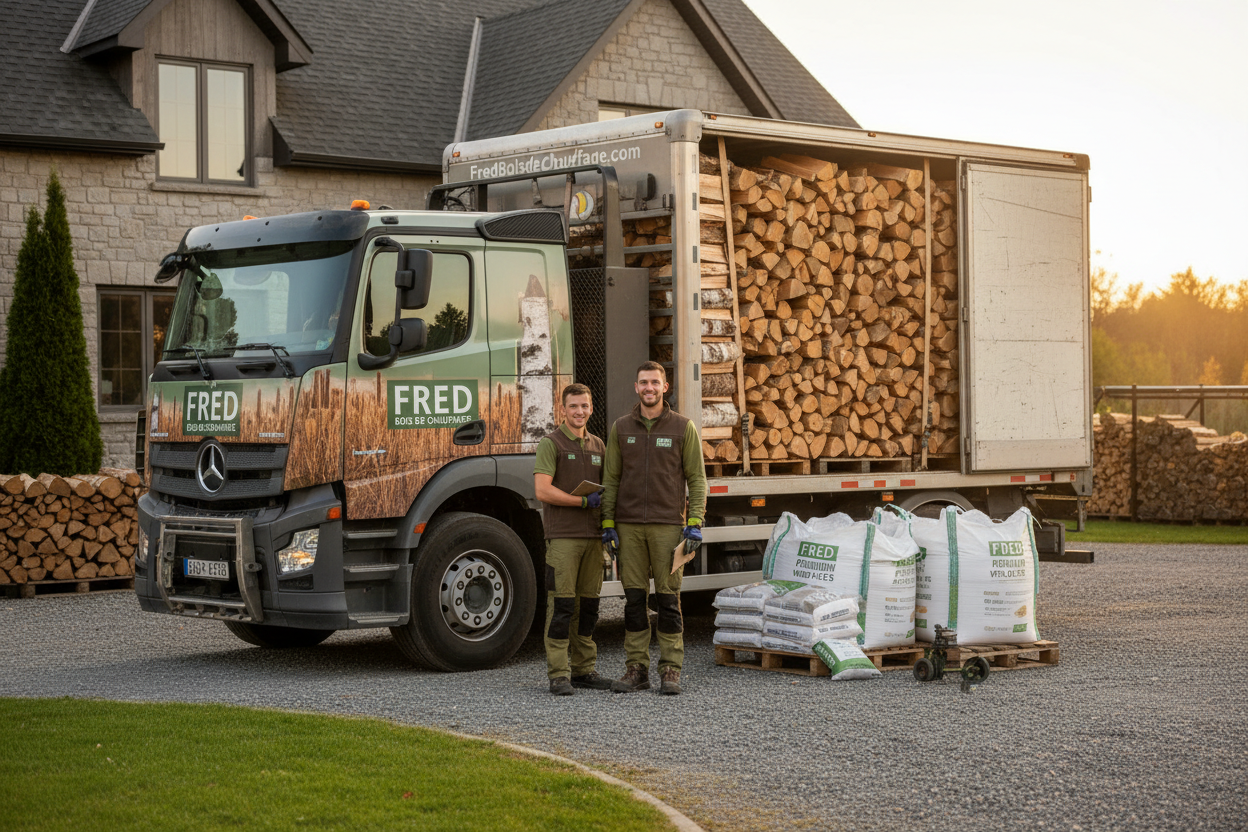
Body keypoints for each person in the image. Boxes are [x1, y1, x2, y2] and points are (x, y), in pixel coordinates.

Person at [601, 361, 706, 695]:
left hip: (667, 527)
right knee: (633, 602)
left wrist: (694, 522)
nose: (649, 388)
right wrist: (607, 523)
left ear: (665, 386)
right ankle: (636, 669)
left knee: (668, 601)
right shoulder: (620, 429)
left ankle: (671, 670)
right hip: (628, 527)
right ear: (636, 387)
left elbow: (697, 480)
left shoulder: (682, 428)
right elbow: (611, 479)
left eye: (655, 382)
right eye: (643, 382)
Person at [533, 383, 613, 696]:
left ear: (591, 408)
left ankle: (584, 670)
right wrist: (580, 502)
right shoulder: (550, 444)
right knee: (562, 606)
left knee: (589, 607)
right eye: (573, 406)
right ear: (562, 409)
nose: (579, 412)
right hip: (563, 538)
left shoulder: (598, 445)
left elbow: (607, 489)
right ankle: (558, 674)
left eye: (584, 406)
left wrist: (608, 526)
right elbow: (542, 490)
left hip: (593, 539)